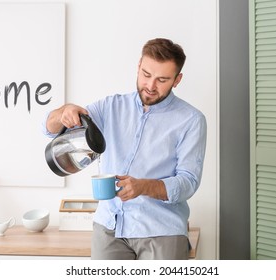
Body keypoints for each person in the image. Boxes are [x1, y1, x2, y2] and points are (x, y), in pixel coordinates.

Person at [43, 38, 207, 260]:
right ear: (139, 66)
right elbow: (50, 130)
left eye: (162, 80)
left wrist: (144, 187)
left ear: (177, 80)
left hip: (162, 231)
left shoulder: (191, 120)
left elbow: (188, 182)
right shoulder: (110, 107)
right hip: (109, 227)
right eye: (146, 75)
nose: (150, 86)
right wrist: (63, 112)